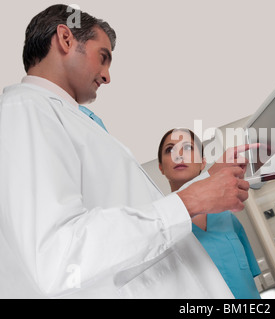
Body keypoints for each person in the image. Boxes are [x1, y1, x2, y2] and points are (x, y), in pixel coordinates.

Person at [0, 4, 252, 299]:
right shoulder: (23, 112)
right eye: (102, 57)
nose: (107, 76)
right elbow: (60, 258)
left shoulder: (67, 119)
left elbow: (120, 215)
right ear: (66, 38)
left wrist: (205, 182)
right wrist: (190, 201)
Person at [158, 128, 262, 299]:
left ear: (203, 163)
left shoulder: (228, 219)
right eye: (170, 149)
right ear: (161, 167)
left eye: (189, 148)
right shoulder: (163, 228)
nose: (179, 155)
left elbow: (249, 280)